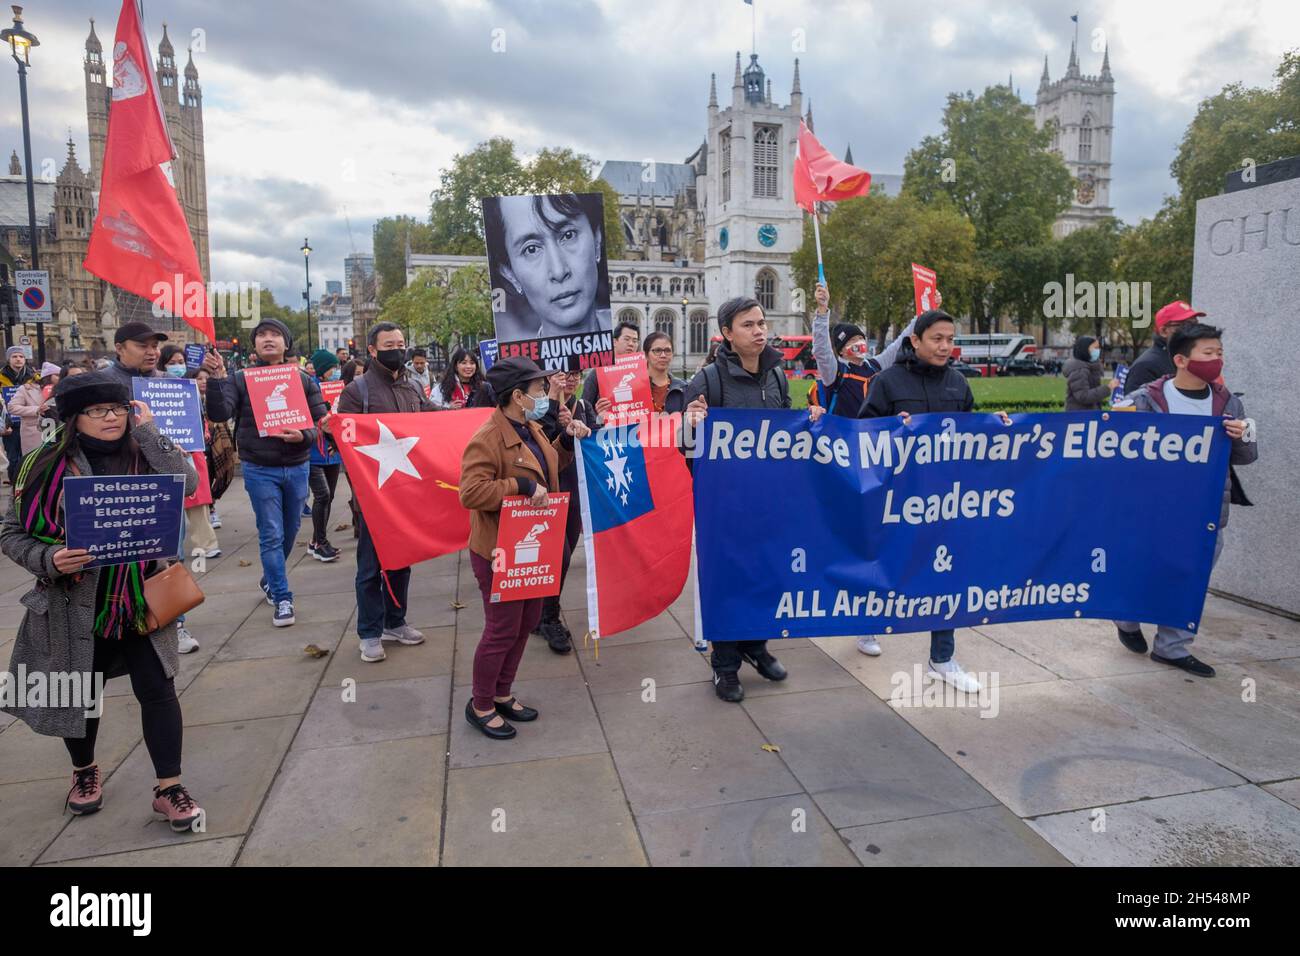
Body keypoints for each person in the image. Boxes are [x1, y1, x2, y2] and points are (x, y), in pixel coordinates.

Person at [1, 372, 203, 830]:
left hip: (139, 597)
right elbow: (11, 533)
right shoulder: (39, 466)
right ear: (74, 418)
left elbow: (188, 483)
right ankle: (84, 772)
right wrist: (50, 558)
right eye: (98, 411)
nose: (111, 417)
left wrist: (151, 431)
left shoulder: (146, 452)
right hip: (74, 602)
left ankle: (168, 787)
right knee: (80, 693)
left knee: (158, 689)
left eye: (118, 408)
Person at [858, 309, 1011, 692]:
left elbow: (971, 437)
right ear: (915, 341)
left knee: (947, 576)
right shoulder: (887, 382)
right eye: (937, 339)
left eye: (950, 338)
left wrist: (995, 427)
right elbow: (861, 434)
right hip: (898, 501)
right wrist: (892, 429)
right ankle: (867, 624)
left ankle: (942, 657)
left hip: (945, 502)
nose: (945, 346)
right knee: (888, 569)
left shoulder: (958, 384)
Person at [683, 296, 824, 702]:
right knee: (729, 581)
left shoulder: (777, 376)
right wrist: (691, 426)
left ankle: (755, 646)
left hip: (770, 502)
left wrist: (809, 420)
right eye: (748, 325)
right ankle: (725, 665)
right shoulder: (708, 380)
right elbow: (684, 446)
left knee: (768, 576)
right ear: (727, 333)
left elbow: (787, 433)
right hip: (726, 508)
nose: (759, 330)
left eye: (761, 322)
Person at [1113, 323, 1256, 677]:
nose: (1216, 360)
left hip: (1205, 514)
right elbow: (1114, 448)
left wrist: (1243, 435)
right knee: (1141, 575)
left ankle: (1172, 649)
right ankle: (1126, 620)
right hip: (1152, 513)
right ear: (1180, 359)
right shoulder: (1144, 400)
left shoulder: (1227, 402)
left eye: (1219, 353)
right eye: (1208, 353)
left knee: (1188, 581)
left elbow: (1246, 456)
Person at [459, 357, 591, 738]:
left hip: (532, 544)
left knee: (527, 621)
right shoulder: (487, 437)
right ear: (517, 395)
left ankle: (502, 692)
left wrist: (567, 439)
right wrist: (518, 487)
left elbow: (549, 466)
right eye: (538, 389)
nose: (545, 394)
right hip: (499, 550)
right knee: (502, 628)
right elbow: (471, 492)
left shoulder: (529, 426)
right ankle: (481, 704)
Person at [202, 317, 327, 626]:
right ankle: (283, 598)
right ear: (254, 345)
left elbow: (321, 421)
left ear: (286, 344)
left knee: (292, 528)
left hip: (298, 466)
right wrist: (218, 377)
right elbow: (220, 412)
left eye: (275, 335)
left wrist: (304, 437)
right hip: (260, 469)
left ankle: (271, 578)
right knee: (271, 533)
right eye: (261, 335)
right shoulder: (240, 379)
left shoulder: (302, 379)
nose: (268, 339)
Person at [331, 322, 435, 661]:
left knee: (401, 562)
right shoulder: (357, 391)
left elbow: (432, 421)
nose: (397, 348)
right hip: (374, 497)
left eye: (401, 342)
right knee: (370, 567)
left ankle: (395, 621)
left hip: (407, 494)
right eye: (389, 344)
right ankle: (370, 632)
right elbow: (342, 439)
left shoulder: (412, 386)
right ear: (373, 350)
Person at [483, 193, 610, 342]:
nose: (559, 271)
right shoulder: (518, 364)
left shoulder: (626, 344)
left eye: (568, 235)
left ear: (597, 238)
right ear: (509, 273)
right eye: (531, 249)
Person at [533, 369, 599, 652]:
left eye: (576, 374)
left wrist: (593, 424)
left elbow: (595, 440)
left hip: (574, 490)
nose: (570, 380)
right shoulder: (538, 406)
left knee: (565, 554)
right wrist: (551, 407)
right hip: (548, 492)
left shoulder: (582, 405)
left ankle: (542, 613)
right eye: (563, 374)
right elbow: (538, 441)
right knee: (554, 558)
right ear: (550, 377)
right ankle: (548, 618)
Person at [811, 281, 920, 421]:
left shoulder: (875, 366)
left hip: (871, 438)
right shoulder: (835, 371)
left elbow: (900, 342)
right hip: (843, 438)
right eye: (852, 340)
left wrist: (922, 315)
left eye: (860, 338)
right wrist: (822, 310)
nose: (859, 343)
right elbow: (821, 349)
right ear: (841, 351)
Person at [304, 348, 343, 563]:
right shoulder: (309, 389)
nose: (336, 371)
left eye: (337, 367)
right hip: (314, 452)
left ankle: (315, 540)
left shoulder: (338, 389)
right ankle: (320, 542)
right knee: (322, 495)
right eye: (332, 368)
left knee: (329, 497)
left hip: (333, 452)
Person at [1123, 301, 1204, 396]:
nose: (1193, 330)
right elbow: (1136, 406)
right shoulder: (1145, 366)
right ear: (1164, 331)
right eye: (1185, 325)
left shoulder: (1188, 359)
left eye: (1195, 324)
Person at [581, 320, 640, 411]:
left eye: (635, 341)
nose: (631, 344)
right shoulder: (598, 372)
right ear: (614, 342)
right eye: (627, 339)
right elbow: (584, 408)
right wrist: (597, 414)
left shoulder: (642, 372)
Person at [1, 346, 32, 484]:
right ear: (9, 359)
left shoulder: (34, 377)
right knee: (13, 457)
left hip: (29, 423)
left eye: (21, 356)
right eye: (14, 356)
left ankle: (28, 482)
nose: (18, 359)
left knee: (29, 455)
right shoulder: (1, 377)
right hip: (10, 425)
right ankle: (15, 484)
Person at [1064, 335, 1114, 411]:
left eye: (1098, 348)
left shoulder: (1091, 367)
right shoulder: (1079, 370)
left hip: (1088, 414)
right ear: (1085, 350)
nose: (1098, 351)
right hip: (1080, 416)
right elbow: (1083, 396)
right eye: (1095, 348)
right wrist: (1107, 388)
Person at [642, 331, 688, 414]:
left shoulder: (683, 389)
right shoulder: (635, 388)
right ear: (646, 355)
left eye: (667, 350)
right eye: (657, 350)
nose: (663, 355)